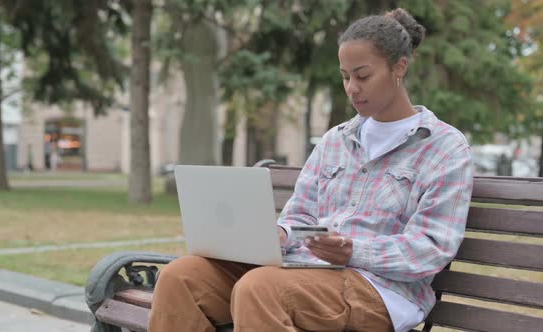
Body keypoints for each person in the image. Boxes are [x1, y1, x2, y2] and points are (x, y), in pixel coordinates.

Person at [148, 8, 473, 332]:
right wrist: (283, 234)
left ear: (398, 67)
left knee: (260, 288)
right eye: (345, 76)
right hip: (305, 270)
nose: (352, 88)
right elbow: (301, 217)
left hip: (382, 290)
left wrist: (351, 251)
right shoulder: (336, 140)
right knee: (181, 277)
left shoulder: (445, 148)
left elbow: (431, 248)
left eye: (363, 76)